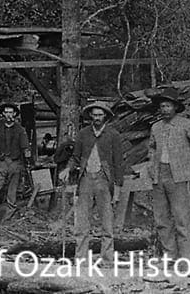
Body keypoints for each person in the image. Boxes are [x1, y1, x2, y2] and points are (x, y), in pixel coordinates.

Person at [147, 87, 190, 265]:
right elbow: (151, 148)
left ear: (175, 107)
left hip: (179, 176)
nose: (165, 109)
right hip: (159, 175)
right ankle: (169, 255)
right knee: (162, 219)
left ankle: (187, 258)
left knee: (181, 218)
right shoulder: (156, 127)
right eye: (162, 106)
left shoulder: (186, 124)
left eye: (168, 106)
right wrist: (151, 166)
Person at [61, 101, 124, 263]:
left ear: (105, 116)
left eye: (100, 115)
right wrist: (68, 169)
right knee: (82, 222)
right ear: (90, 116)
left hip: (104, 180)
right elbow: (75, 157)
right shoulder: (83, 134)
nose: (97, 118)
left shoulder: (113, 135)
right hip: (86, 179)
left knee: (107, 222)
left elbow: (118, 163)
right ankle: (81, 258)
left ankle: (108, 259)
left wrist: (117, 189)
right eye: (94, 115)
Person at [0, 102, 31, 227]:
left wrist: (25, 162)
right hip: (0, 164)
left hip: (15, 164)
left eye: (11, 112)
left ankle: (6, 222)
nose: (9, 115)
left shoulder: (20, 130)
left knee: (11, 196)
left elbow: (25, 148)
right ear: (3, 114)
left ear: (15, 114)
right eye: (6, 112)